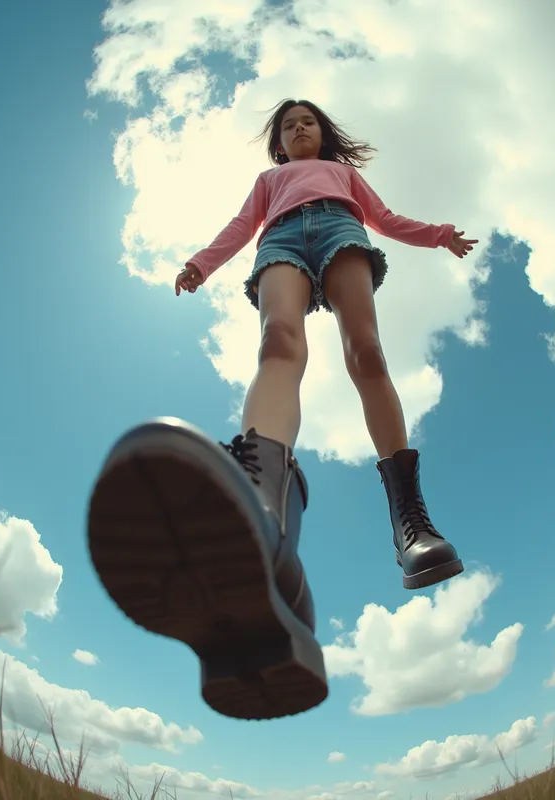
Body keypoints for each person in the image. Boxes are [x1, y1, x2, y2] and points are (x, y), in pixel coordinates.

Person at [87, 98, 479, 723]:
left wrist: (437, 235)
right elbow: (239, 227)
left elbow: (384, 217)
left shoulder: (343, 176)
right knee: (279, 342)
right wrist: (201, 263)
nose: (300, 130)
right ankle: (260, 508)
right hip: (281, 243)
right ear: (278, 146)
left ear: (324, 136)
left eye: (309, 123)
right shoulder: (269, 183)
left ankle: (411, 520)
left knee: (367, 352)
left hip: (340, 230)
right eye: (289, 126)